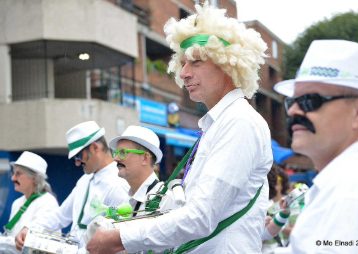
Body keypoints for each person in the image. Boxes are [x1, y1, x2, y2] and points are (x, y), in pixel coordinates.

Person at [87, 2, 272, 253]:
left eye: (195, 62)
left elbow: (200, 216)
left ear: (228, 64)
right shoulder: (219, 124)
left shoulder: (239, 122)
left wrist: (120, 237)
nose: (183, 73)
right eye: (182, 63)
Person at [274, 39, 358, 253]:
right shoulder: (348, 182)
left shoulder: (352, 194)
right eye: (292, 101)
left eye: (310, 100)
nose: (293, 110)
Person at [15, 121, 130, 250]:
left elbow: (119, 241)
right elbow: (61, 215)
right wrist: (30, 228)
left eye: (79, 156)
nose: (77, 163)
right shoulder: (84, 180)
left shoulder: (118, 184)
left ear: (94, 148)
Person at [109, 125, 179, 217]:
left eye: (122, 153)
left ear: (145, 158)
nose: (115, 158)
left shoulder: (166, 200)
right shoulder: (126, 200)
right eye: (115, 153)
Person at [0, 151, 59, 254]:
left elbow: (31, 244)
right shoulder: (17, 203)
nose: (13, 178)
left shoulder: (48, 202)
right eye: (13, 173)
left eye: (18, 174)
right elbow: (12, 240)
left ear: (35, 178)